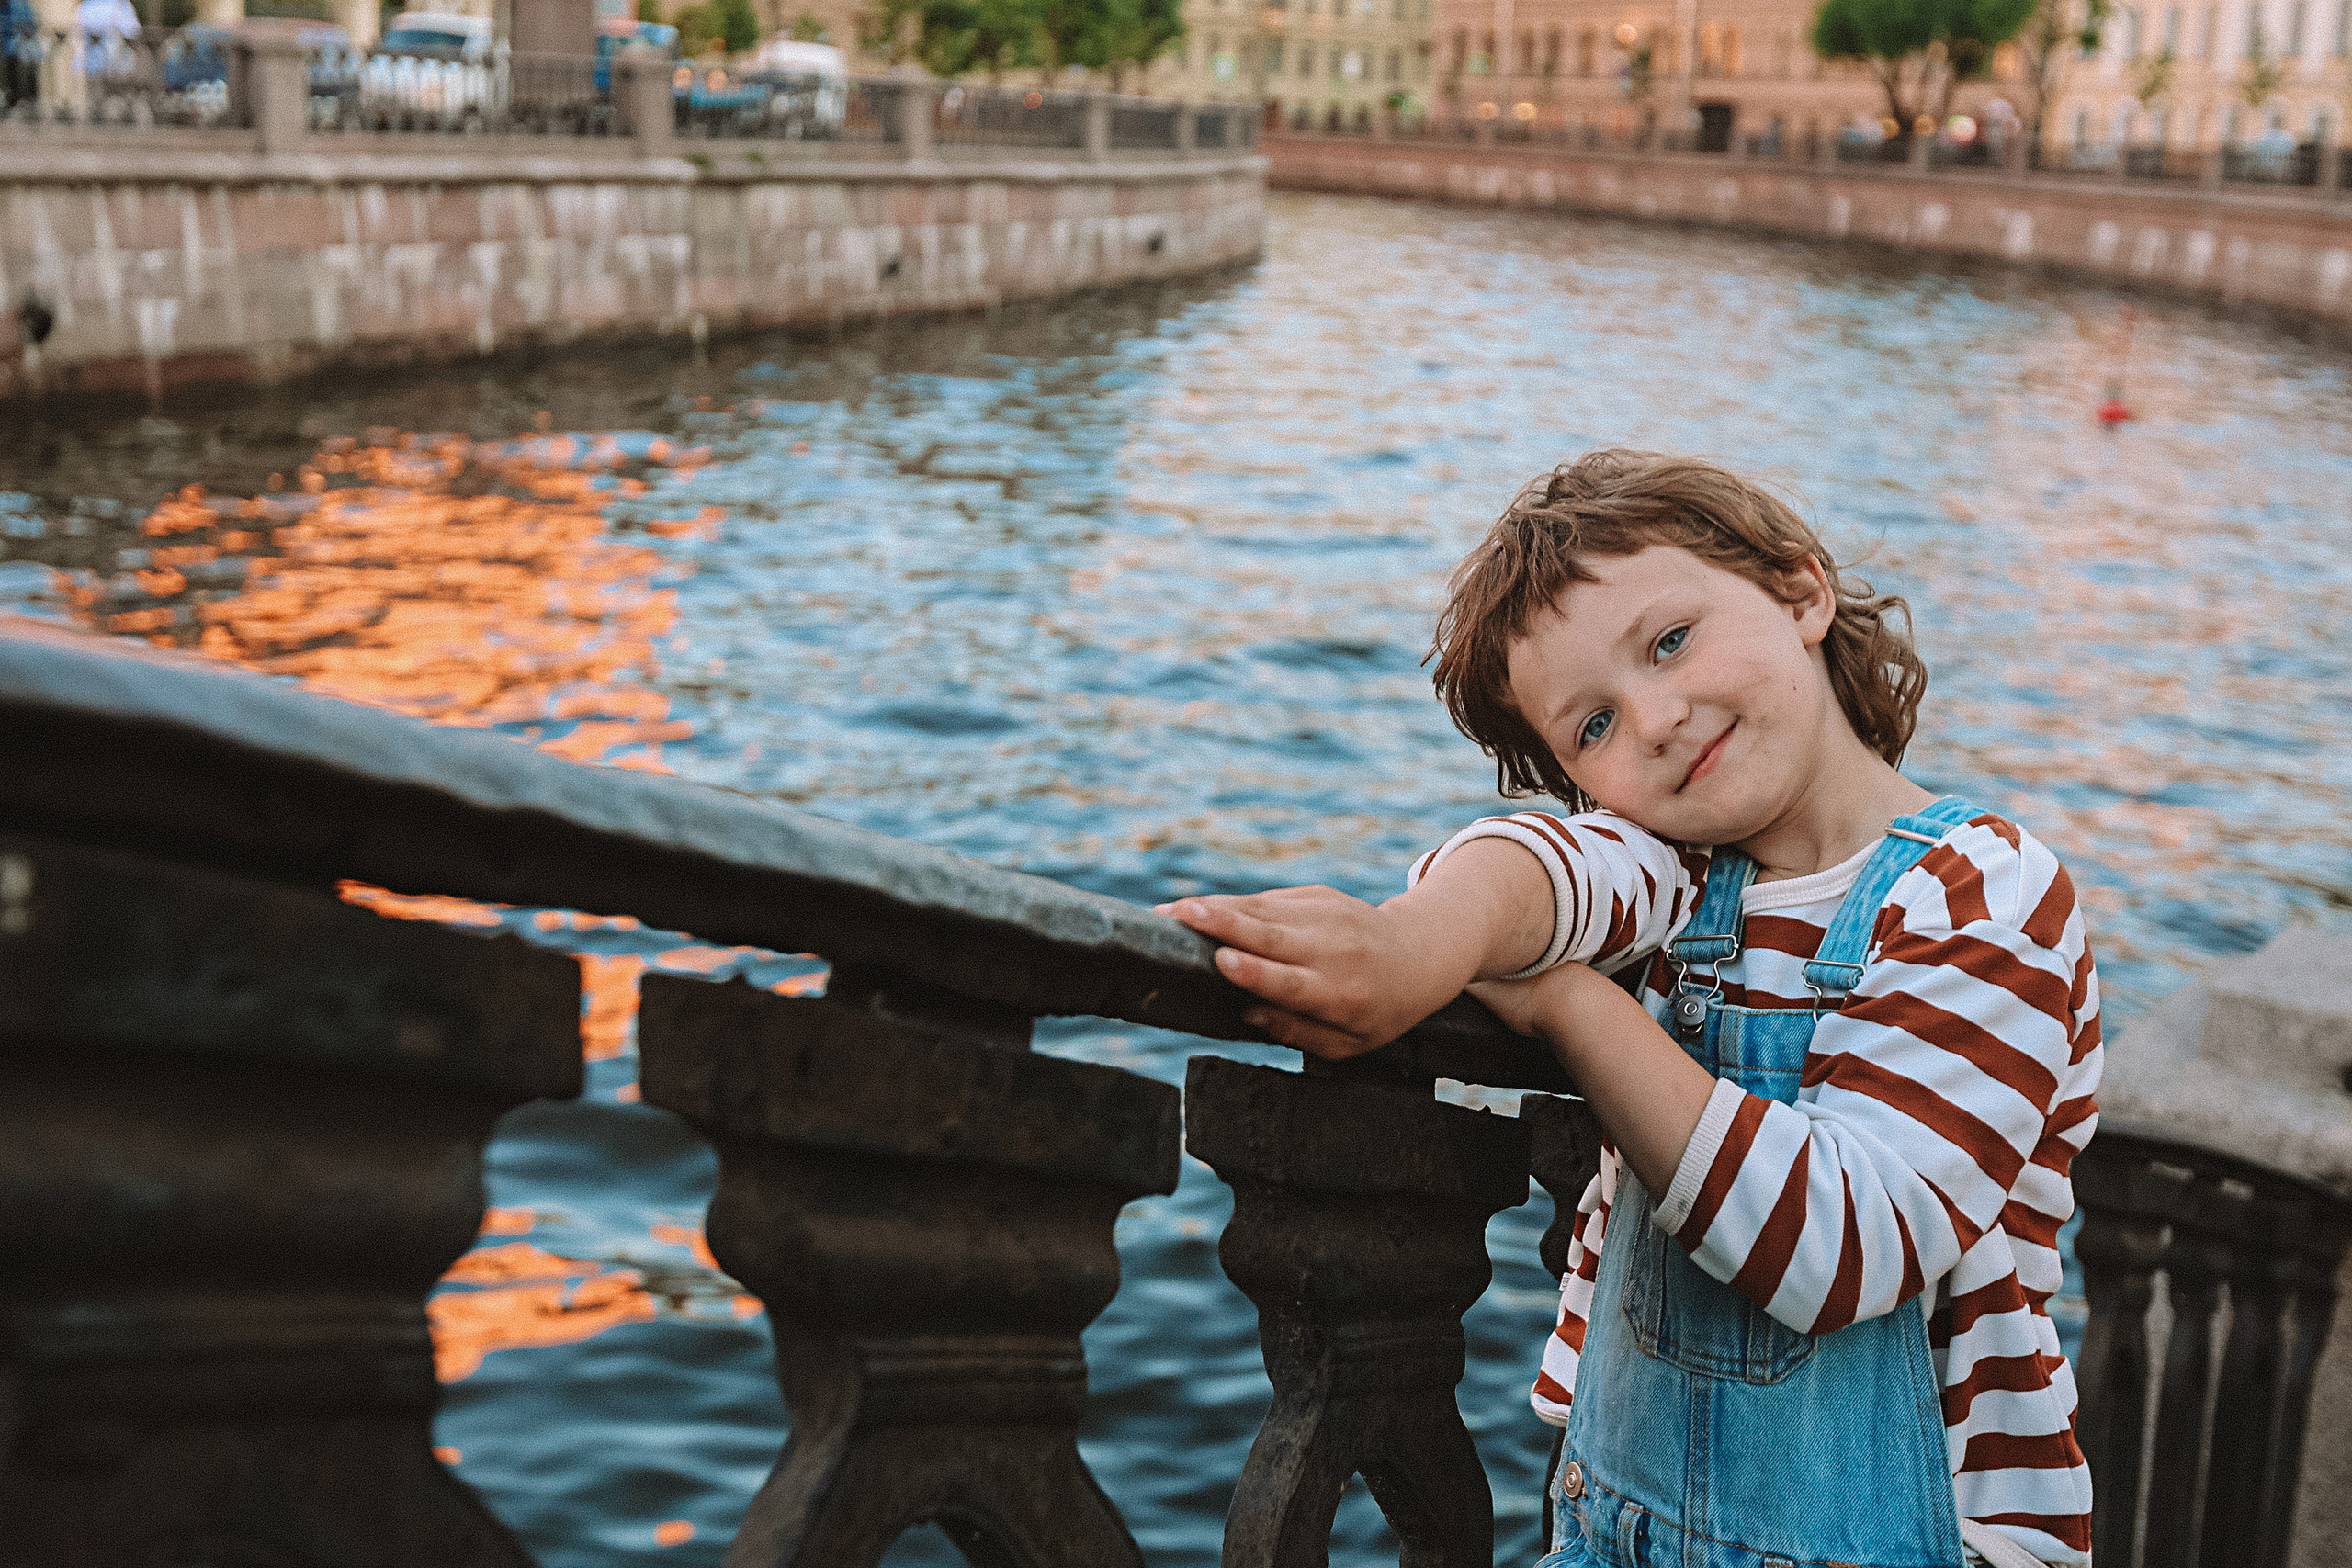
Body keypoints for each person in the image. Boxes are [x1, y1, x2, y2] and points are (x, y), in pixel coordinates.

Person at [1159, 451, 2098, 1568]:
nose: (1652, 720)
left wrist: (1571, 1010)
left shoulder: (1979, 894)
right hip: (1620, 1529)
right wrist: (1415, 942)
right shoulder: (1675, 873)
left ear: (1800, 593)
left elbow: (1846, 1248)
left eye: (1669, 642)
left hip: (1918, 1539)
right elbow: (1540, 869)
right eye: (1590, 727)